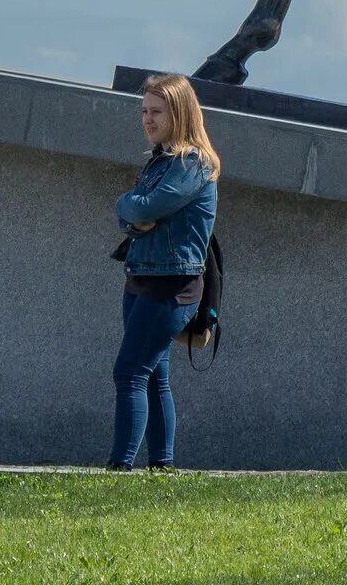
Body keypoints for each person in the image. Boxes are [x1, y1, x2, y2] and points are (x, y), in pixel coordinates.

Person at [110, 72, 219, 471]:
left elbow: (141, 209)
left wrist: (129, 206)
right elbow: (132, 213)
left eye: (157, 111)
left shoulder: (192, 164)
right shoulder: (161, 162)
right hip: (141, 279)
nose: (148, 119)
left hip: (172, 284)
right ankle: (161, 468)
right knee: (152, 375)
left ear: (179, 113)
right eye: (144, 111)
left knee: (129, 371)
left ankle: (119, 468)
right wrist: (131, 208)